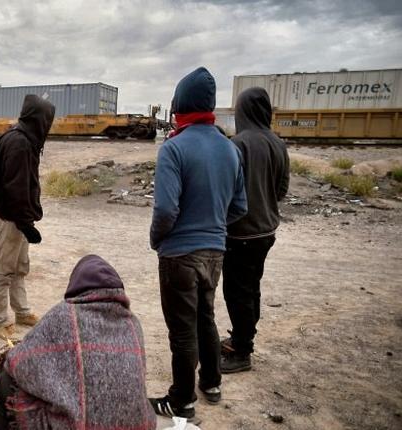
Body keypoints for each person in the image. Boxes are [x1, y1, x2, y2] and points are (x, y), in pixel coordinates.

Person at [148, 67, 248, 419]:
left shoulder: (174, 148)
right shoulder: (229, 148)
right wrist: (213, 227)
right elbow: (240, 206)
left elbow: (164, 209)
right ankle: (212, 382)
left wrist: (158, 238)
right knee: (206, 315)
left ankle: (181, 400)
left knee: (182, 329)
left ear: (180, 105)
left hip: (179, 253)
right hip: (215, 253)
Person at [0, 255, 157, 430]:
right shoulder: (132, 323)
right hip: (138, 425)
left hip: (78, 425)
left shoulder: (64, 315)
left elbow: (18, 361)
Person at [221, 87, 290, 373]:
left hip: (240, 233)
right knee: (252, 288)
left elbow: (228, 192)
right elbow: (282, 190)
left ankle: (241, 352)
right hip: (266, 232)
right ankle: (242, 337)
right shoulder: (278, 143)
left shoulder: (238, 144)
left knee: (236, 291)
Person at [0, 94, 55, 339]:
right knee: (4, 270)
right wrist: (26, 224)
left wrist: (26, 221)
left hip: (17, 216)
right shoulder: (20, 143)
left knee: (19, 268)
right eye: (47, 120)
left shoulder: (25, 139)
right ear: (38, 119)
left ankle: (22, 311)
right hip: (9, 217)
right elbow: (15, 189)